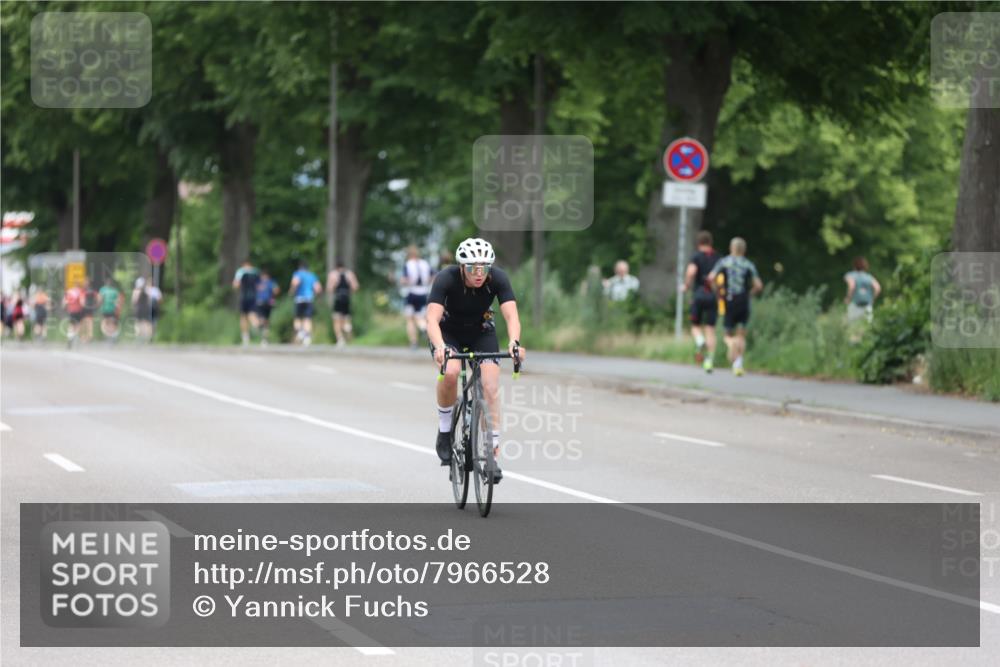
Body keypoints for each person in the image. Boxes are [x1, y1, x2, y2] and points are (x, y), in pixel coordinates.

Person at [427, 237, 525, 484]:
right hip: (448, 332)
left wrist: (514, 342)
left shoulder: (498, 278)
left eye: (484, 267)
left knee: (490, 386)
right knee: (451, 372)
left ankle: (491, 455)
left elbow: (512, 316)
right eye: (472, 268)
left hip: (481, 331)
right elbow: (431, 320)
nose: (479, 274)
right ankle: (445, 430)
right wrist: (440, 347)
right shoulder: (446, 278)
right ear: (462, 266)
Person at [709, 237, 763, 377]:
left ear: (731, 248)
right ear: (744, 249)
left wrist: (718, 291)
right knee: (741, 334)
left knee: (728, 334)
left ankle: (731, 344)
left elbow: (711, 278)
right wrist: (750, 294)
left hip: (729, 299)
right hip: (744, 300)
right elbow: (758, 285)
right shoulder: (748, 264)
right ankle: (738, 364)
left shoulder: (724, 262)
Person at [683, 231, 720, 372]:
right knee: (710, 329)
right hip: (713, 296)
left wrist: (686, 285)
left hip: (699, 295)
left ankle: (700, 341)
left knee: (695, 325)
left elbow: (691, 272)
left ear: (699, 243)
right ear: (710, 242)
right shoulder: (718, 258)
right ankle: (709, 361)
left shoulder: (696, 256)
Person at [400, 245, 433, 349]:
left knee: (410, 319)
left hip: (411, 292)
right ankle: (423, 327)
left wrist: (402, 282)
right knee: (420, 316)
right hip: (424, 292)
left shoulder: (408, 264)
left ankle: (414, 342)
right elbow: (432, 276)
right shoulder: (425, 264)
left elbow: (405, 279)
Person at [327, 259, 359, 347]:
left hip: (338, 298)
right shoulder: (350, 274)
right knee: (346, 318)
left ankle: (340, 339)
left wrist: (334, 287)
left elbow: (330, 288)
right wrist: (349, 291)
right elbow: (355, 287)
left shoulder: (333, 274)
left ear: (336, 267)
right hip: (347, 298)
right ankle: (347, 327)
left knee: (336, 320)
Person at [290, 260, 321, 346]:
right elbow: (318, 288)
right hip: (309, 299)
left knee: (297, 318)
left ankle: (300, 332)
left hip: (299, 299)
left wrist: (292, 291)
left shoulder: (298, 274)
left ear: (300, 267)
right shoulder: (312, 276)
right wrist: (315, 295)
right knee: (308, 318)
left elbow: (295, 283)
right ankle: (307, 337)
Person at [844, 256, 881, 325]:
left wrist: (848, 298)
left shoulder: (850, 275)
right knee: (867, 326)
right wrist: (872, 299)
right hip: (867, 305)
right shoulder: (868, 277)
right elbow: (877, 288)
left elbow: (851, 286)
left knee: (852, 326)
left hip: (855, 304)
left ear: (854, 266)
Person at [232, 259, 261, 346]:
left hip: (244, 297)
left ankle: (245, 337)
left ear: (244, 264)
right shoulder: (256, 272)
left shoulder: (241, 271)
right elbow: (260, 286)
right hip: (254, 297)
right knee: (252, 314)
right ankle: (258, 327)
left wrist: (237, 288)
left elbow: (236, 285)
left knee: (243, 317)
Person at [254, 270, 279, 346]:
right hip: (268, 303)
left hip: (260, 302)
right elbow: (276, 290)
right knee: (266, 321)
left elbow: (255, 291)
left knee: (261, 319)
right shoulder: (271, 282)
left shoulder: (258, 282)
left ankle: (260, 331)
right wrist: (273, 296)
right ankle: (265, 338)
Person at [132, 277, 153, 341]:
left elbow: (134, 301)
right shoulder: (147, 291)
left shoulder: (136, 291)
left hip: (139, 309)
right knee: (146, 323)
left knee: (138, 323)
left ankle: (139, 337)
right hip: (146, 309)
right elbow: (149, 301)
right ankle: (147, 337)